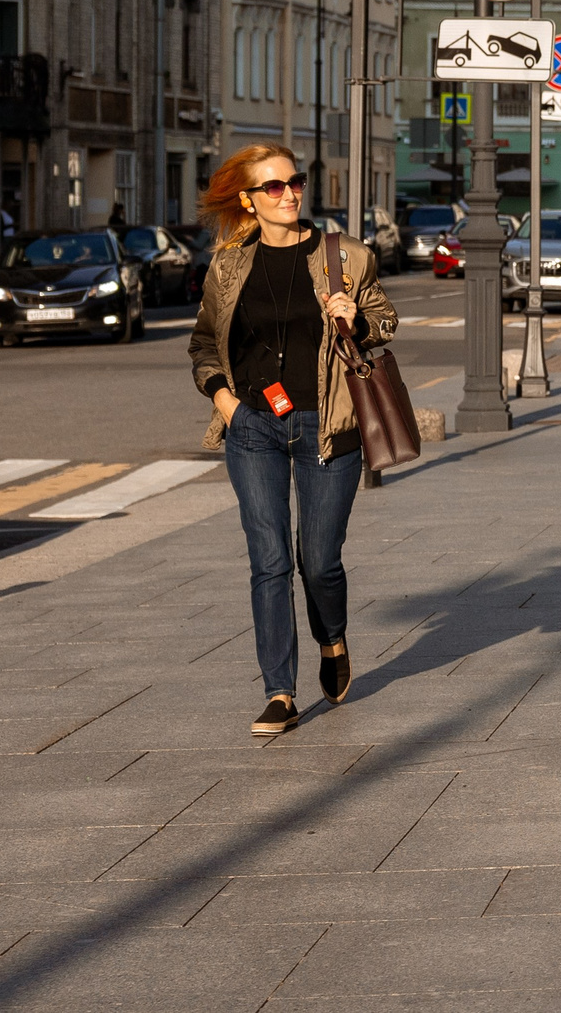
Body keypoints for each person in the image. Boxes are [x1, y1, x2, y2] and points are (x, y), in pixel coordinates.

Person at [187, 144, 399, 737]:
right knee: (270, 561)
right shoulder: (229, 264)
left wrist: (355, 316)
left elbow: (386, 321)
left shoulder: (346, 256)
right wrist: (224, 400)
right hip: (252, 424)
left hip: (327, 427)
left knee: (319, 561)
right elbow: (204, 343)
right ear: (249, 202)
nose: (289, 194)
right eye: (273, 187)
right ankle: (279, 690)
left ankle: (332, 639)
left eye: (294, 182)